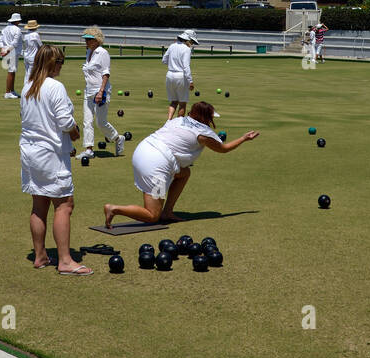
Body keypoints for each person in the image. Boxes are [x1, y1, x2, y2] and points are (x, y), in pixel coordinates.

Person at [103, 101, 259, 228]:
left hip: (142, 150)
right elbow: (223, 149)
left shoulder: (179, 119)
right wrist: (244, 138)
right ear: (205, 118)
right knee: (152, 216)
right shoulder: (204, 133)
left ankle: (168, 212)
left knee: (184, 173)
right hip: (156, 164)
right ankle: (114, 209)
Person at [20, 45, 89, 275]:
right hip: (50, 154)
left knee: (39, 204)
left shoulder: (27, 86)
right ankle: (65, 261)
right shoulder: (55, 87)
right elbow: (65, 122)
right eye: (60, 61)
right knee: (64, 205)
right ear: (51, 63)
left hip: (30, 153)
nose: (62, 65)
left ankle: (40, 256)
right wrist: (75, 132)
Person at [80, 26, 124, 159]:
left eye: (89, 39)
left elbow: (106, 73)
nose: (86, 42)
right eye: (86, 39)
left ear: (97, 40)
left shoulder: (103, 53)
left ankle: (117, 138)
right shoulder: (89, 52)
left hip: (101, 91)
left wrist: (101, 92)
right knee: (87, 121)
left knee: (100, 122)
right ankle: (88, 150)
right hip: (88, 90)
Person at [161, 30, 197, 119]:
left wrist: (173, 64)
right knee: (182, 103)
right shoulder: (187, 49)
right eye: (191, 41)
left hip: (169, 75)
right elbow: (186, 66)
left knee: (173, 102)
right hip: (181, 76)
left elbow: (164, 60)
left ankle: (168, 122)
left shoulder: (172, 46)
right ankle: (178, 125)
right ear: (187, 39)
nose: (191, 43)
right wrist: (190, 81)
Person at [0, 12, 24, 99]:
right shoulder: (17, 30)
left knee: (12, 71)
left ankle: (12, 91)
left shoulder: (4, 29)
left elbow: (0, 41)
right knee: (11, 71)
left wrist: (3, 49)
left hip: (7, 51)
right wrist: (7, 51)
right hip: (12, 52)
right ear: (17, 21)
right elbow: (15, 43)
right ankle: (7, 93)